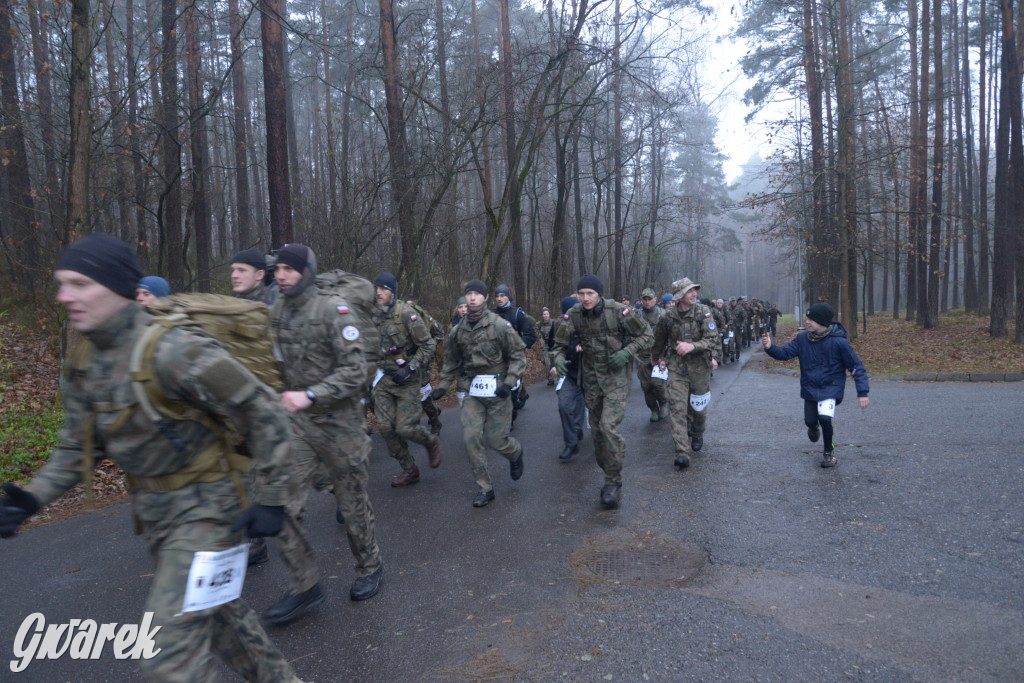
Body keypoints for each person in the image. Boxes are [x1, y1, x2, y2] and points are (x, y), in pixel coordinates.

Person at [0, 233, 299, 681]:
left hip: (208, 513)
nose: (64, 296)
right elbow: (77, 446)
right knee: (223, 622)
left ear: (117, 287)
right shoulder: (85, 360)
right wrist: (31, 498)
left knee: (167, 658)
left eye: (79, 284)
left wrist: (274, 497)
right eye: (62, 283)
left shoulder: (175, 350)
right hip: (157, 518)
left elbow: (264, 414)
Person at [269, 243, 384, 621]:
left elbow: (354, 372)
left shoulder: (336, 311)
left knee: (351, 505)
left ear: (307, 272)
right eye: (278, 269)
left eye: (289, 269)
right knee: (283, 504)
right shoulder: (279, 311)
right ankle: (305, 586)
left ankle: (370, 566)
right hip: (300, 426)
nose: (281, 275)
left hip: (340, 424)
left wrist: (312, 394)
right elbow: (277, 365)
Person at [551, 274, 652, 509]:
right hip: (591, 381)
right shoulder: (574, 314)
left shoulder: (618, 311)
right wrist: (557, 359)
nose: (586, 298)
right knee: (597, 435)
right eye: (581, 294)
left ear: (600, 294)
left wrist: (627, 352)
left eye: (591, 294)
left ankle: (613, 482)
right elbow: (557, 345)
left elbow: (646, 335)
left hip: (616, 378)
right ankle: (609, 472)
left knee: (608, 427)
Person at [431, 279, 526, 507]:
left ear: (485, 297)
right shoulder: (457, 330)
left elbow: (518, 355)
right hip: (473, 390)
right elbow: (451, 361)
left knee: (496, 440)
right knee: (471, 438)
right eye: (468, 294)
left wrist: (510, 382)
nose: (472, 297)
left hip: (498, 389)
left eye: (477, 293)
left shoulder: (500, 325)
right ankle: (485, 488)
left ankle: (515, 453)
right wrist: (443, 385)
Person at [762, 302, 870, 468]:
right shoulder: (802, 339)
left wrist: (862, 392)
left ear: (822, 322)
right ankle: (813, 428)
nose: (807, 322)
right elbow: (784, 353)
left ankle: (829, 452)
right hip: (810, 389)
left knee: (825, 419)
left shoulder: (839, 343)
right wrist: (770, 347)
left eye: (811, 320)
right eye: (807, 319)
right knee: (810, 421)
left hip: (831, 389)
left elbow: (857, 367)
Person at [372, 273, 443, 487]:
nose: (378, 292)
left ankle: (430, 441)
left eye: (383, 288)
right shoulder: (372, 314)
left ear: (392, 292)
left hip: (408, 378)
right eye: (376, 288)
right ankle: (409, 469)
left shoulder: (406, 313)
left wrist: (411, 367)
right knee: (385, 427)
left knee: (405, 428)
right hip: (384, 378)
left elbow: (428, 345)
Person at [652, 278, 721, 470]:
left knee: (698, 410)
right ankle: (682, 451)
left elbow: (712, 339)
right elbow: (659, 339)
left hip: (700, 368)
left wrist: (693, 346)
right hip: (676, 368)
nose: (694, 294)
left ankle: (697, 433)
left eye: (695, 290)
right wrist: (656, 358)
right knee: (678, 409)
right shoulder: (667, 316)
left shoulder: (703, 312)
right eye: (689, 291)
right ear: (679, 296)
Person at [492, 284, 537, 419]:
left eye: (502, 296)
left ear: (508, 297)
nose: (499, 299)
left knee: (511, 392)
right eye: (497, 296)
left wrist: (516, 346)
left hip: (514, 360)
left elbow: (531, 336)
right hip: (496, 361)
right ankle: (520, 396)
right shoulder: (491, 314)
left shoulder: (517, 314)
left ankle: (510, 418)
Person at [549, 296, 586, 460]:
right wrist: (556, 363)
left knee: (591, 407)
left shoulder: (590, 322)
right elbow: (555, 346)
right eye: (566, 313)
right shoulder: (559, 324)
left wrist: (586, 347)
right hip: (569, 372)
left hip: (591, 373)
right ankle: (571, 443)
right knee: (564, 404)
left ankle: (583, 430)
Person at [635, 288, 669, 422]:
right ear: (641, 301)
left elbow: (670, 335)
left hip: (659, 355)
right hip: (642, 356)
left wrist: (665, 356)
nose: (647, 302)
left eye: (650, 299)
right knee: (646, 386)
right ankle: (653, 409)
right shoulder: (636, 315)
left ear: (655, 299)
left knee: (658, 384)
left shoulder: (663, 314)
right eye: (645, 299)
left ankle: (664, 403)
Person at [536, 307, 555, 385]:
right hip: (545, 345)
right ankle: (550, 379)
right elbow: (535, 329)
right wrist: (539, 338)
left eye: (547, 314)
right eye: (544, 314)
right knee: (546, 362)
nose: (546, 315)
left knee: (555, 361)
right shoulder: (540, 324)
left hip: (554, 344)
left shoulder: (554, 322)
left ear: (549, 314)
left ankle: (560, 375)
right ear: (542, 315)